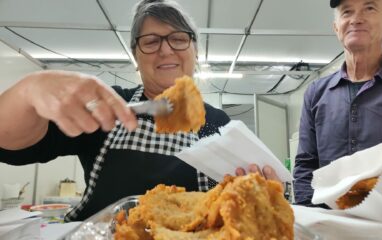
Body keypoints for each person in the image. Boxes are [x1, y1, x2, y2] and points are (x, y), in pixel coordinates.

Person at [0, 0, 232, 221]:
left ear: (196, 51)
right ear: (136, 56)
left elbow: (224, 199)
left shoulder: (217, 122)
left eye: (179, 39)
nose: (166, 50)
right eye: (151, 42)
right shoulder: (110, 104)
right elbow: (8, 140)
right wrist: (27, 91)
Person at [293, 0, 382, 206]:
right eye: (347, 11)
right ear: (336, 27)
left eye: (369, 8)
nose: (356, 19)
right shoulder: (316, 93)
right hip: (330, 229)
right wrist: (312, 219)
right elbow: (306, 165)